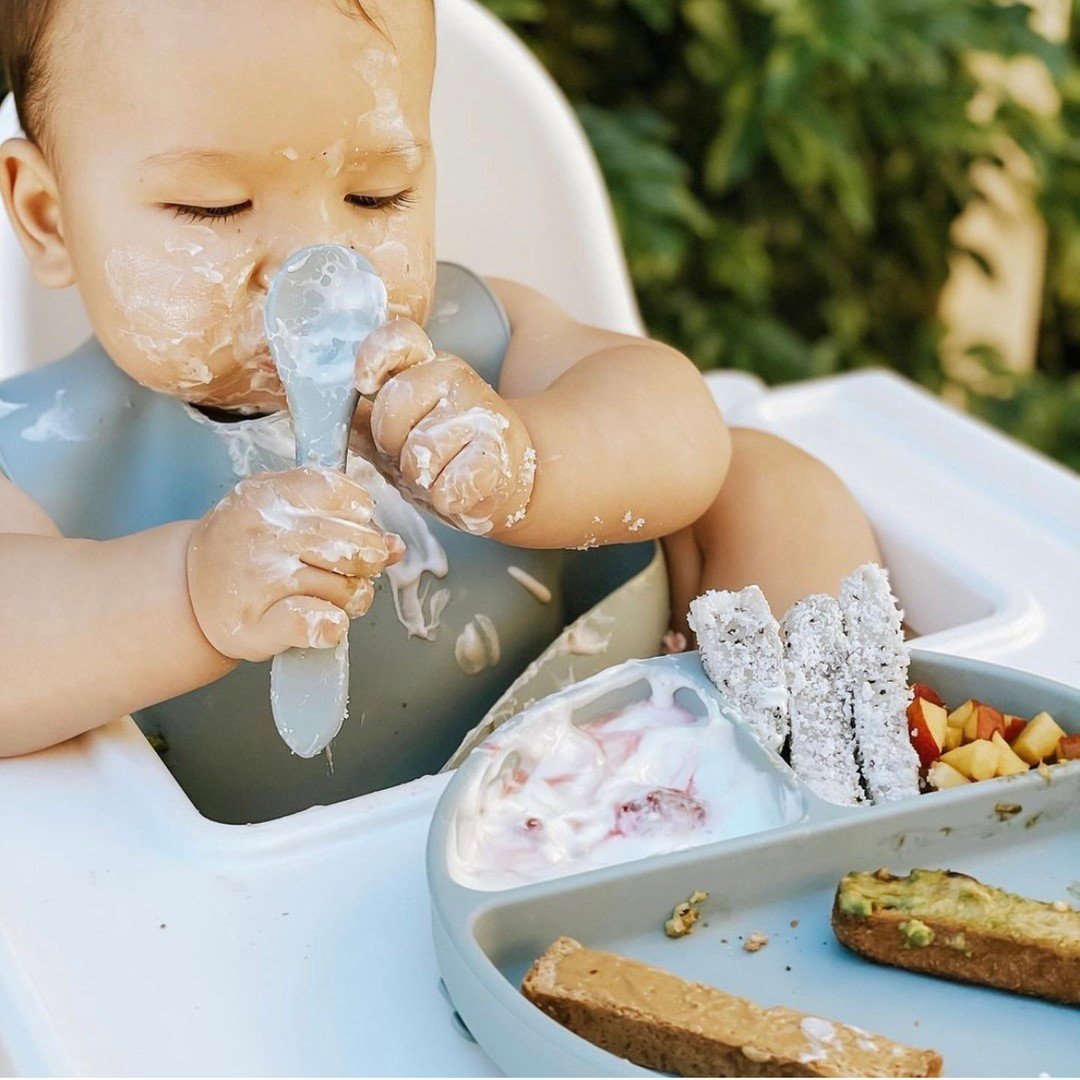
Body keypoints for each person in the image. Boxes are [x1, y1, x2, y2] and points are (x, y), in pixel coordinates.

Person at [0, 0, 879, 819]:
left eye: (376, 194)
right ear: (47, 217)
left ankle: (818, 780)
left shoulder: (482, 340)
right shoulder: (44, 454)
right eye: (213, 206)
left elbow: (676, 427)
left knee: (767, 480)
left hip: (635, 791)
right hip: (287, 901)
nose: (323, 262)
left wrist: (530, 461)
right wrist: (188, 593)